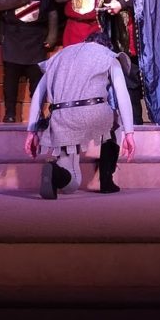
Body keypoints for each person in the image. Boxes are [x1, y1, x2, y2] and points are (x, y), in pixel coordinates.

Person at [24, 31, 136, 199]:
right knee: (116, 121)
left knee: (72, 182)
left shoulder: (59, 56)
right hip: (94, 112)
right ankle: (106, 180)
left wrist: (31, 131)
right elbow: (122, 95)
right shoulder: (107, 55)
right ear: (106, 45)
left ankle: (55, 172)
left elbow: (39, 94)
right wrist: (129, 133)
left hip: (61, 117)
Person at [0, 0, 57, 123]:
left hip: (36, 38)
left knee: (37, 81)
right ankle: (10, 113)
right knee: (11, 80)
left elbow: (51, 11)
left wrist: (52, 36)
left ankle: (37, 114)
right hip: (13, 37)